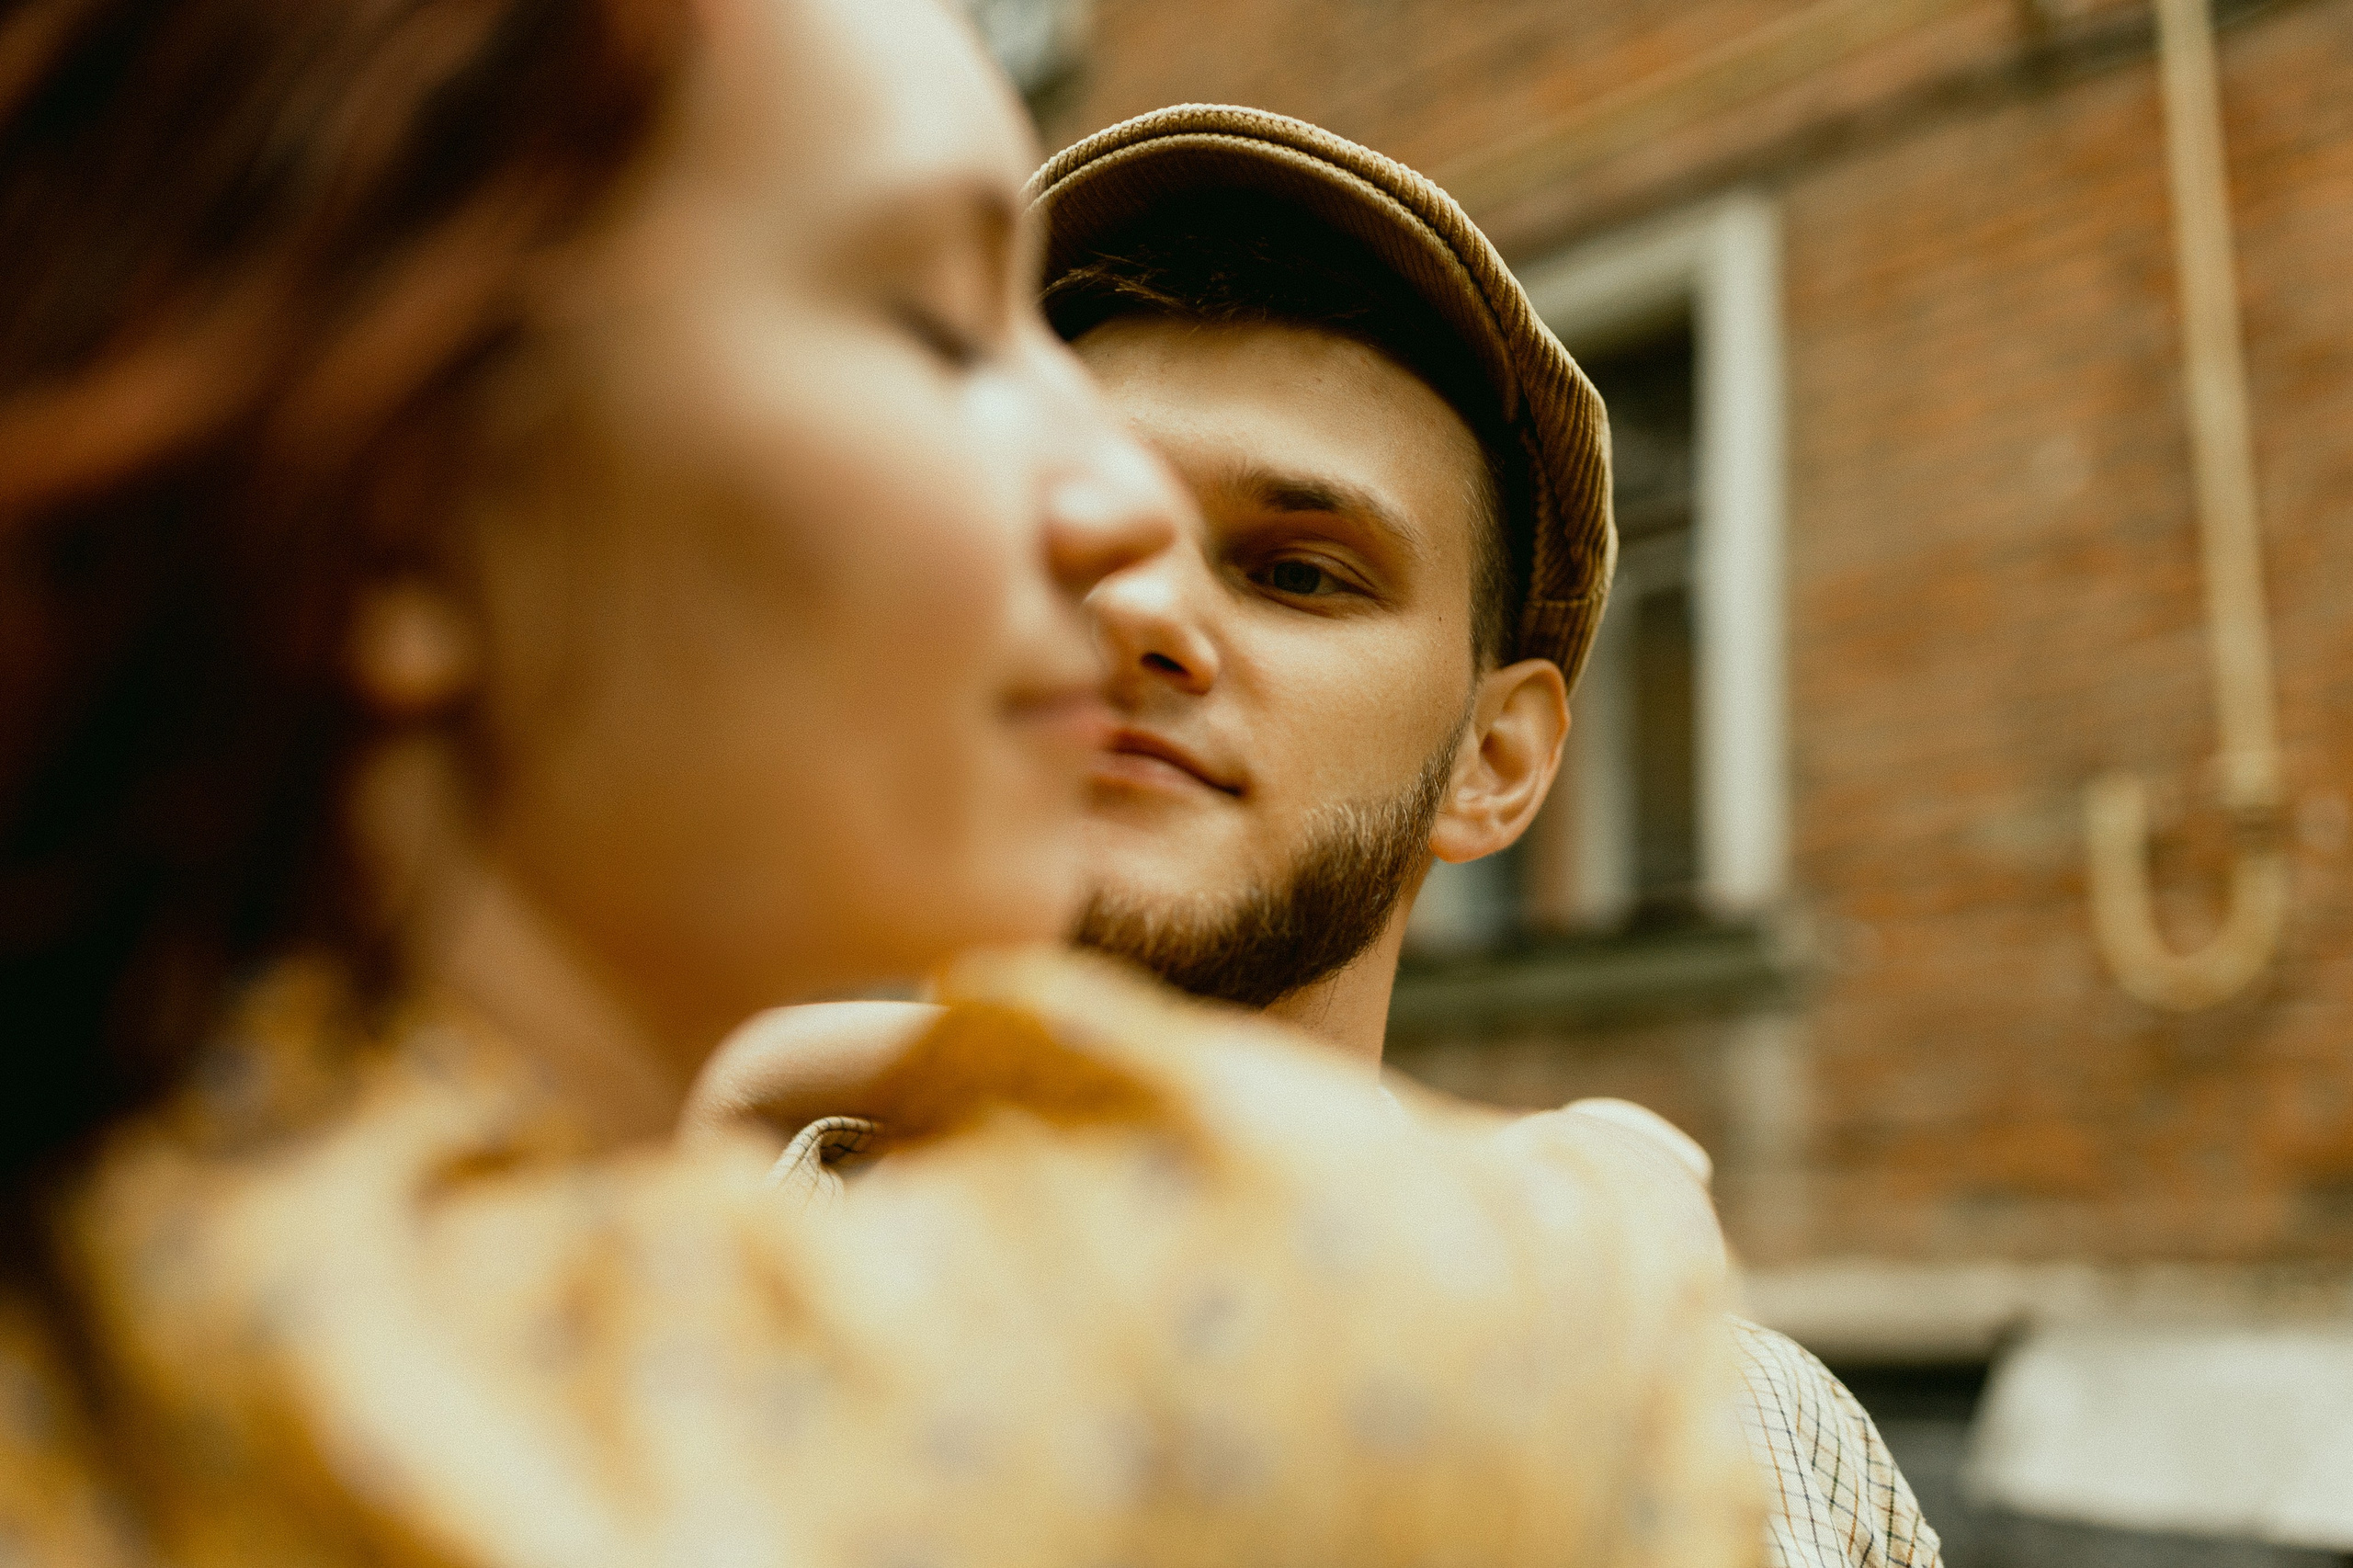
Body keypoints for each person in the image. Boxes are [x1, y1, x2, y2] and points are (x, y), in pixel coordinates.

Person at [0, 4, 1760, 1564]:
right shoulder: (1458, 1334)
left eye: (1302, 570)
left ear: (1506, 752)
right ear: (401, 505)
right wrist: (1598, 1210)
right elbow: (1528, 1333)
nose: (1124, 557)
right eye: (939, 331)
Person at [712, 106, 1940, 1568]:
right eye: (1063, 543)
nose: (1138, 613)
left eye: (1298, 570)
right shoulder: (571, 1313)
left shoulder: (1763, 1439)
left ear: (1495, 761)